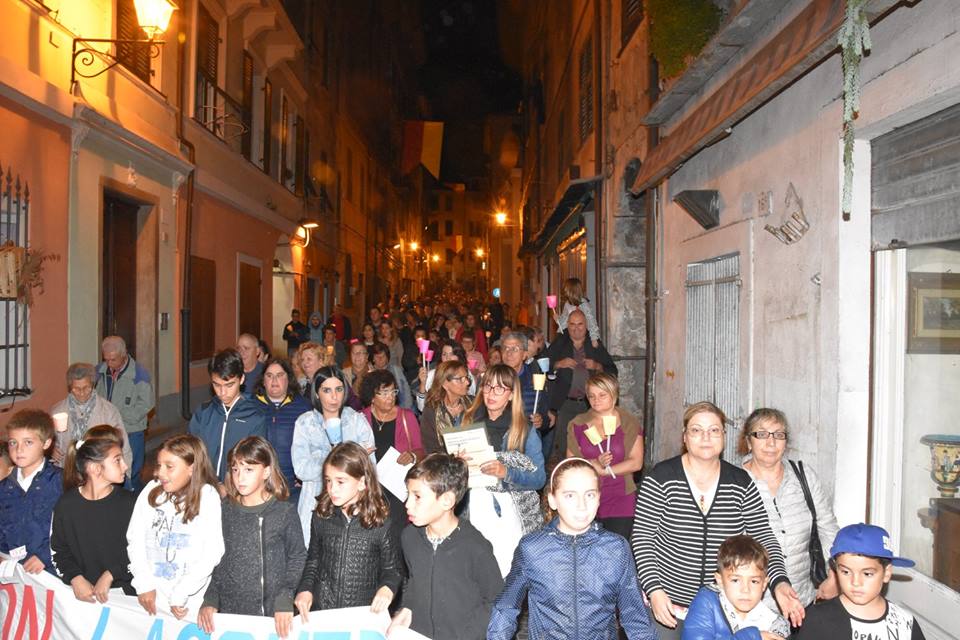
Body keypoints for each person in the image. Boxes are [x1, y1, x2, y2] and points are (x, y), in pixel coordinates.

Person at [631, 402, 802, 639]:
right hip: (668, 604)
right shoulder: (661, 478)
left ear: (723, 435)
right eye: (696, 430)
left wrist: (780, 582)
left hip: (722, 608)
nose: (705, 437)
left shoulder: (740, 482)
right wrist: (654, 590)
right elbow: (642, 538)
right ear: (685, 437)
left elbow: (763, 537)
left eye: (714, 430)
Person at [487, 457, 657, 640]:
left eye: (590, 494)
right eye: (570, 495)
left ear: (599, 498)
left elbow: (636, 617)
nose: (582, 505)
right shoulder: (532, 549)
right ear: (552, 500)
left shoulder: (615, 549)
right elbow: (506, 608)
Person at [199, 437, 306, 639]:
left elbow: (298, 557)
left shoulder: (283, 511)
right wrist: (211, 598)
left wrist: (285, 598)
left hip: (272, 617)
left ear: (266, 471)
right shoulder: (225, 511)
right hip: (232, 615)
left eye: (249, 470)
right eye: (235, 469)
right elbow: (216, 558)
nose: (240, 478)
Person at [389, 453, 503, 640]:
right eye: (408, 494)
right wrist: (407, 607)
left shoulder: (475, 547)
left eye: (417, 496)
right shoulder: (409, 537)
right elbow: (413, 580)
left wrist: (468, 635)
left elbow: (496, 600)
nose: (407, 504)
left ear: (447, 501)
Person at [740, 407, 840, 607]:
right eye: (761, 434)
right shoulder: (733, 481)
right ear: (749, 442)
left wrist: (835, 575)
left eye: (779, 435)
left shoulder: (804, 476)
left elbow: (828, 529)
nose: (771, 442)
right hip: (752, 605)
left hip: (803, 598)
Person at [293, 442, 402, 617]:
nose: (332, 489)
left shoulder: (381, 522)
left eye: (340, 481)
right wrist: (305, 588)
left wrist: (387, 588)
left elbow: (393, 569)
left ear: (362, 483)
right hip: (322, 612)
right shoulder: (321, 516)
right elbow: (313, 560)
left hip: (362, 615)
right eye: (328, 481)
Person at [126, 434, 224, 621]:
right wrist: (143, 583)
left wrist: (181, 593)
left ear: (191, 468)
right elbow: (135, 538)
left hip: (189, 603)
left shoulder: (207, 496)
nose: (160, 473)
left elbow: (212, 551)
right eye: (159, 465)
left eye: (169, 467)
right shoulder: (151, 490)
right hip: (153, 597)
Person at [462, 364, 547, 576]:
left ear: (511, 395)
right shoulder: (466, 421)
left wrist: (506, 473)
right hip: (471, 506)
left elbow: (539, 479)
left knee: (505, 573)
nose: (491, 393)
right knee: (474, 573)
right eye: (488, 387)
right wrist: (456, 464)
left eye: (500, 389)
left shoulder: (523, 429)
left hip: (509, 509)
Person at [51, 425, 137, 600]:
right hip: (83, 596)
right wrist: (75, 578)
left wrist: (111, 574)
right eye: (117, 460)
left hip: (127, 597)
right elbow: (59, 551)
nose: (126, 465)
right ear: (95, 468)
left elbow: (142, 551)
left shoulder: (131, 503)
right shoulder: (66, 506)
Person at [796, 524, 925, 640]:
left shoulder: (904, 622)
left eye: (867, 574)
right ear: (836, 569)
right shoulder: (817, 619)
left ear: (886, 573)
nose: (855, 582)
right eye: (846, 572)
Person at [292, 366, 375, 544]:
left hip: (353, 507)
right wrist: (340, 457)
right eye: (326, 390)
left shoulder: (356, 420)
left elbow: (371, 469)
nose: (334, 397)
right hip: (314, 504)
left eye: (338, 389)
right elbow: (301, 469)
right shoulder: (305, 423)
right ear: (316, 393)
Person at [566, 372, 644, 539]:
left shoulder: (629, 422)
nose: (596, 400)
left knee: (616, 547)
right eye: (592, 396)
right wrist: (593, 462)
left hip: (620, 496)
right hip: (585, 496)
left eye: (602, 395)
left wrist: (605, 471)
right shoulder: (578, 424)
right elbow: (571, 462)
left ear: (614, 395)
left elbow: (636, 462)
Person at [544, 309, 617, 465]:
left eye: (580, 324)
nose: (576, 329)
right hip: (565, 404)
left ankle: (590, 471)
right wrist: (559, 364)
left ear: (586, 325)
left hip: (590, 404)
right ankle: (567, 473)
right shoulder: (561, 342)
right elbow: (542, 364)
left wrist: (597, 366)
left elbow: (612, 370)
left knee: (592, 441)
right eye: (572, 325)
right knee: (564, 443)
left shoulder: (594, 343)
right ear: (567, 325)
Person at [682, 535, 790, 640]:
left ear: (764, 584)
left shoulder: (772, 622)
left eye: (754, 581)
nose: (745, 589)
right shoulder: (707, 603)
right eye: (735, 580)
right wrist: (751, 637)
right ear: (720, 580)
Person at [188, 349, 267, 483]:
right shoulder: (203, 412)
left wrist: (229, 487)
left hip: (237, 489)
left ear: (241, 379)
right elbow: (190, 452)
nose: (222, 392)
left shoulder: (255, 415)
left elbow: (256, 462)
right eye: (216, 385)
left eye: (229, 385)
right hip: (204, 487)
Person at [0, 409, 62, 575]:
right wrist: (3, 555)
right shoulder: (4, 488)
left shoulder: (60, 482)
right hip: (16, 571)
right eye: (13, 442)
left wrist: (45, 556)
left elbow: (71, 529)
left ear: (46, 443)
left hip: (51, 569)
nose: (19, 450)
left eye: (28, 442)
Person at [51, 362, 132, 482]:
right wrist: (50, 449)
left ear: (93, 385)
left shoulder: (108, 411)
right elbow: (47, 440)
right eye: (76, 389)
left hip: (100, 474)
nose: (82, 393)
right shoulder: (58, 411)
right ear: (69, 387)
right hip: (67, 472)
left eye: (86, 387)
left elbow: (123, 445)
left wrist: (124, 473)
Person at [96, 335, 153, 491]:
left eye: (113, 360)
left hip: (131, 431)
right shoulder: (100, 372)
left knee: (131, 472)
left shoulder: (139, 374)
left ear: (124, 355)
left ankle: (135, 503)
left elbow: (147, 404)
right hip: (107, 431)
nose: (109, 364)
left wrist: (120, 416)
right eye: (106, 359)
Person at [255, 358, 312, 505]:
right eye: (269, 375)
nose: (274, 380)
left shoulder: (304, 408)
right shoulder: (251, 407)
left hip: (292, 487)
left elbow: (314, 446)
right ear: (263, 380)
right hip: (258, 485)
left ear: (289, 379)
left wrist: (304, 476)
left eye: (280, 375)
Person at [359, 369, 424, 465]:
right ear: (372, 397)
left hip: (399, 478)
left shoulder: (407, 417)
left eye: (393, 392)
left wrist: (412, 456)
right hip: (369, 477)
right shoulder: (360, 418)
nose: (391, 397)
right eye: (385, 393)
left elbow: (421, 450)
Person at [500, 331, 551, 449]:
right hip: (499, 438)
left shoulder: (535, 380)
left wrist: (541, 420)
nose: (509, 353)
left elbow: (545, 416)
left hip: (527, 441)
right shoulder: (492, 378)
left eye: (515, 349)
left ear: (524, 355)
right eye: (505, 348)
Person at [419, 360, 474, 455]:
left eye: (467, 378)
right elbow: (430, 448)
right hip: (444, 465)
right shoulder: (431, 410)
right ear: (445, 384)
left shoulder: (474, 404)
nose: (467, 383)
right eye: (460, 379)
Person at [553, 277, 601, 348]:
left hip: (582, 335)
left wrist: (594, 338)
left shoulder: (583, 304)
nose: (565, 292)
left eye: (567, 290)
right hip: (568, 335)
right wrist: (558, 320)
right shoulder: (567, 304)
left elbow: (591, 321)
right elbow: (564, 322)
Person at [369, 342, 413, 410]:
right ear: (373, 359)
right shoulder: (369, 372)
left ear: (387, 358)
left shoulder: (396, 370)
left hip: (397, 408)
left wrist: (405, 410)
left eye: (383, 356)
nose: (380, 359)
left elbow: (405, 391)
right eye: (377, 357)